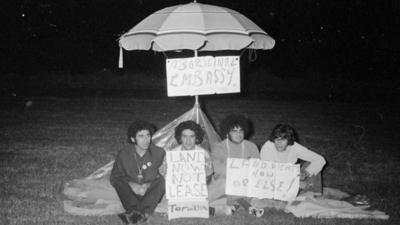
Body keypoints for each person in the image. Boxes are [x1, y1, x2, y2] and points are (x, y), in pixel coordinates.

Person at [252, 123, 326, 214]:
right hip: (273, 182)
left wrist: (306, 173)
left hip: (290, 177)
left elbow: (320, 159)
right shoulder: (267, 147)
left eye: (283, 140)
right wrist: (296, 183)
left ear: (289, 140)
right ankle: (300, 197)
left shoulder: (294, 146)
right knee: (268, 197)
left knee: (311, 164)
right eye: (276, 139)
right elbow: (270, 175)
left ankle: (312, 195)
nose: (279, 143)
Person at [110, 120, 165, 225]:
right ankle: (142, 214)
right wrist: (131, 184)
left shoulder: (159, 153)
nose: (146, 140)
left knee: (162, 182)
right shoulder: (124, 154)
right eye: (141, 136)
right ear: (133, 139)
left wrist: (147, 185)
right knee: (119, 183)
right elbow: (115, 176)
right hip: (131, 191)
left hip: (149, 191)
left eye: (148, 135)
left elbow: (162, 175)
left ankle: (135, 214)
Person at [209, 114, 260, 214]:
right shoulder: (219, 147)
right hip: (225, 182)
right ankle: (239, 203)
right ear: (227, 133)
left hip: (245, 183)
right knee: (222, 185)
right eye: (234, 131)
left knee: (256, 189)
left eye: (241, 131)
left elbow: (257, 168)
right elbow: (216, 167)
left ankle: (226, 206)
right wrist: (236, 174)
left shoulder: (251, 146)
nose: (238, 134)